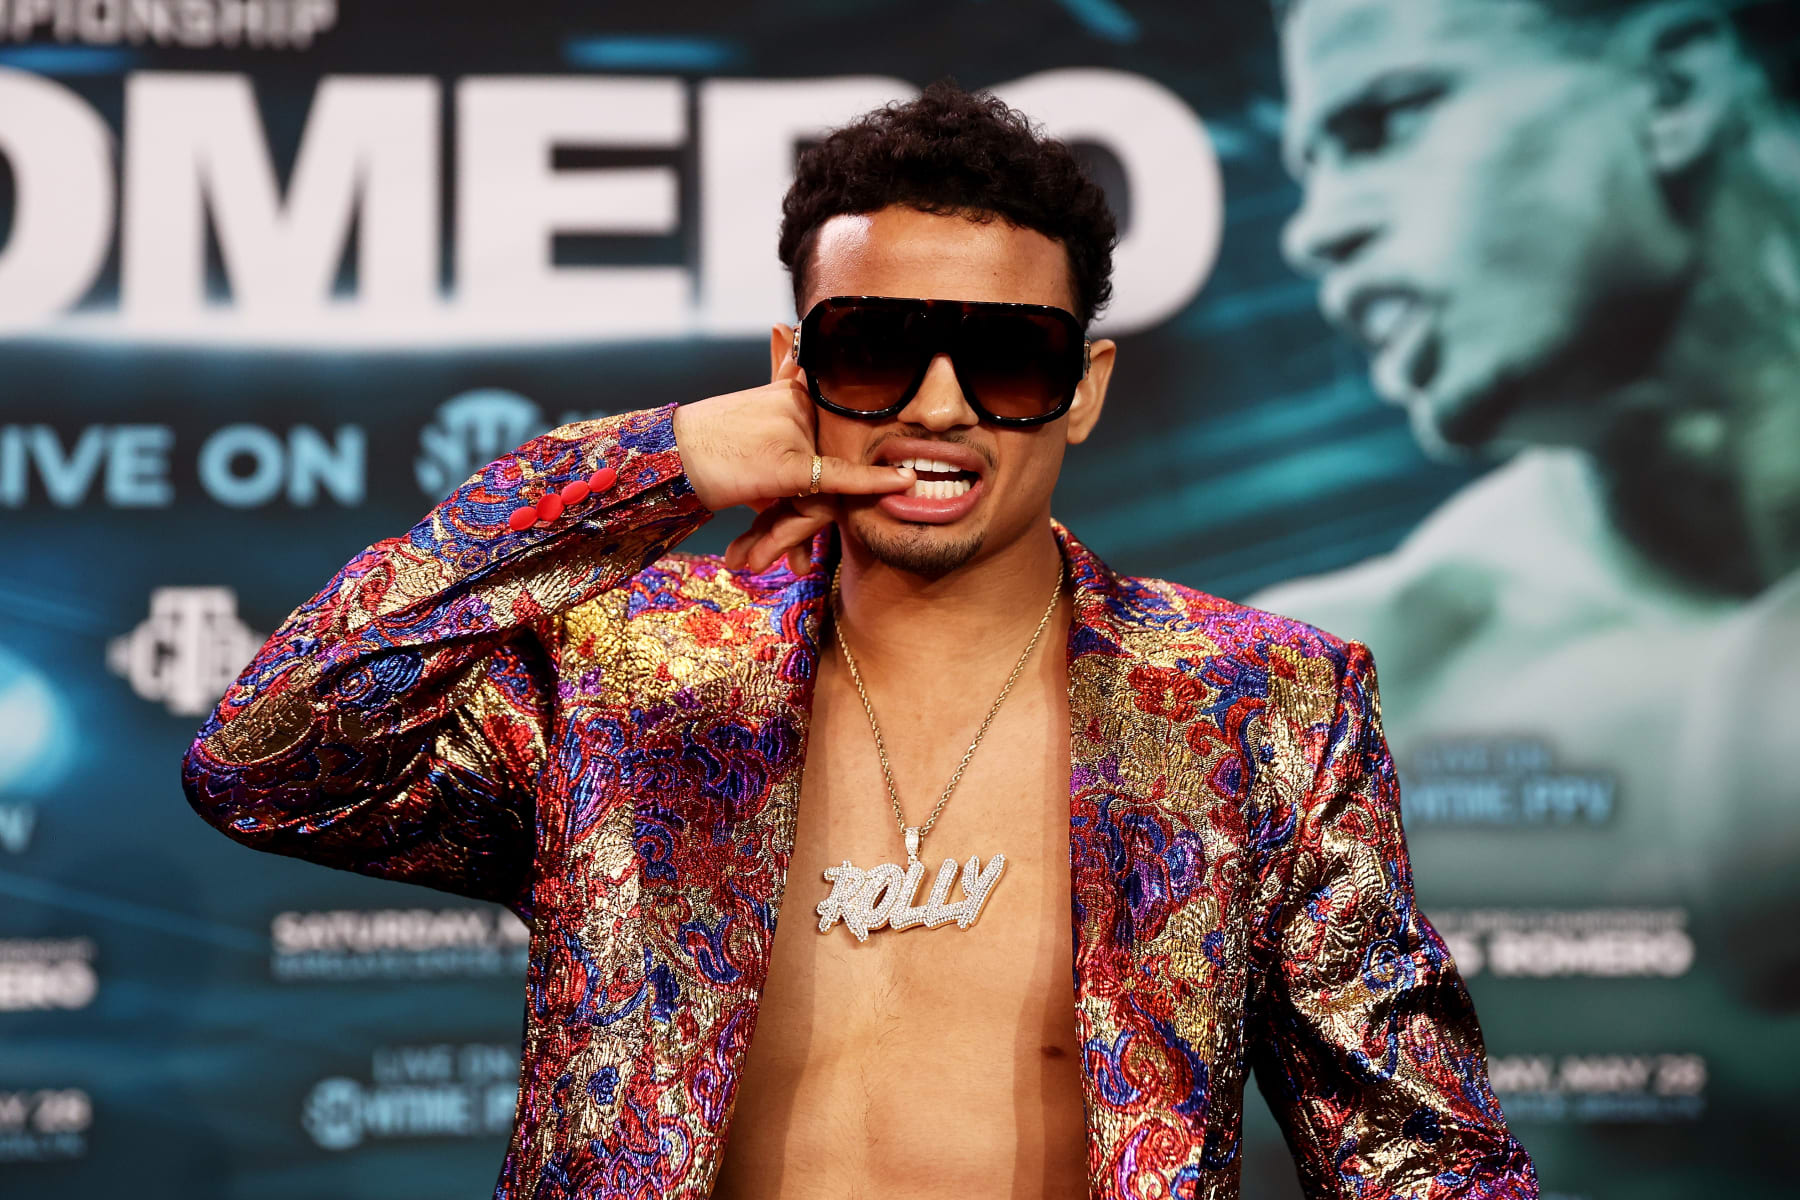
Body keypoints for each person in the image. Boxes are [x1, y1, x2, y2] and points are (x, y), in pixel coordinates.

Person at [182, 83, 1536, 1200]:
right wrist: (644, 467)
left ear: (1082, 391)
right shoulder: (623, 682)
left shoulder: (1262, 705)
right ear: (793, 374)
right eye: (878, 347)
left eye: (1008, 361)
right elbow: (265, 761)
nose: (941, 408)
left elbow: (1417, 1154)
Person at [1256, 1, 1799, 1191]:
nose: (1317, 232)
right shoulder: (1339, 692)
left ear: (1672, 90)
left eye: (1387, 119)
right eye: (1310, 162)